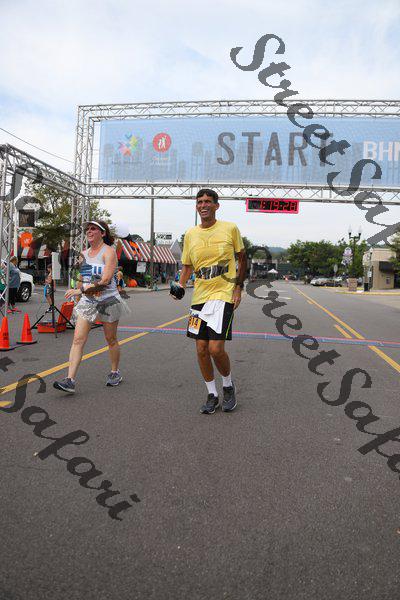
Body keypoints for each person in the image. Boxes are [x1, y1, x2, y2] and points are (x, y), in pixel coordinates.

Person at [170, 188, 246, 414]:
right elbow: (187, 266)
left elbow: (242, 258)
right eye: (199, 202)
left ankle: (228, 386)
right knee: (201, 349)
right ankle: (212, 394)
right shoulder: (190, 234)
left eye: (207, 202)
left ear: (216, 205)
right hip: (199, 298)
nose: (203, 205)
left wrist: (238, 287)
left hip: (223, 294)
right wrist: (180, 286)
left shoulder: (230, 228)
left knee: (215, 348)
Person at [53, 221, 127, 394]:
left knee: (110, 339)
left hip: (108, 300)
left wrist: (80, 290)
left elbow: (105, 280)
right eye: (87, 229)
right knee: (78, 339)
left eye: (93, 229)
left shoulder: (108, 252)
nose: (89, 231)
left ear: (103, 233)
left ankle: (115, 372)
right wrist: (78, 297)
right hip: (88, 300)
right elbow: (81, 277)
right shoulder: (83, 254)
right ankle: (69, 380)